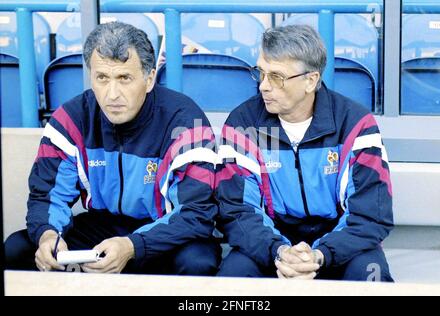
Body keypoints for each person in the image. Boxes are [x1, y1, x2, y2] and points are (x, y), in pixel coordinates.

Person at [5, 22, 220, 275]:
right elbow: (48, 196)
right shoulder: (72, 118)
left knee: (197, 261)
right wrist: (48, 235)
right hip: (104, 225)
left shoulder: (185, 121)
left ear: (149, 79)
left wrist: (133, 246)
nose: (112, 94)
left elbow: (196, 211)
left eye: (124, 78)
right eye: (102, 78)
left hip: (166, 230)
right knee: (16, 248)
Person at [215, 24, 394, 281]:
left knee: (370, 275)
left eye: (276, 76)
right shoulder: (243, 123)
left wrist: (320, 255)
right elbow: (237, 210)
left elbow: (371, 213)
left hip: (342, 243)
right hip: (270, 241)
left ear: (311, 80)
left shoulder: (355, 124)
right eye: (260, 73)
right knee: (234, 275)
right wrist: (279, 251)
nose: (264, 86)